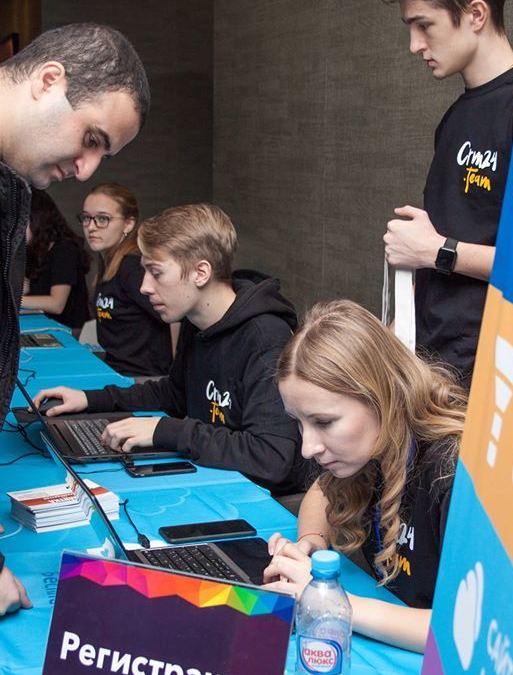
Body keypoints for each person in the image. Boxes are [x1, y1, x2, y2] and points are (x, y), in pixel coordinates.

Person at [0, 21, 149, 617]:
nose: (85, 169)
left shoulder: (13, 186)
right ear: (49, 80)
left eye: (102, 154)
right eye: (90, 138)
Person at [35, 203, 310, 496]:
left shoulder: (265, 338)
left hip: (263, 498)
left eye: (156, 272)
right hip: (215, 477)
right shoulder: (196, 320)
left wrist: (165, 430)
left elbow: (270, 457)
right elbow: (175, 394)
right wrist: (90, 399)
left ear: (200, 272)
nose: (144, 287)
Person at [263, 300, 467, 652]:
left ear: (380, 397)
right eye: (299, 422)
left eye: (324, 422)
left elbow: (464, 629)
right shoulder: (372, 449)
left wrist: (332, 602)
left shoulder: (454, 474)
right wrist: (311, 544)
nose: (307, 448)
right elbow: (321, 493)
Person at [378, 0, 513, 385]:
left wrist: (437, 250)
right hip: (431, 363)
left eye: (424, 25)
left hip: (488, 371)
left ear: (476, 13)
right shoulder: (455, 117)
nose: (414, 45)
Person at [80, 182, 174, 378]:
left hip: (142, 378)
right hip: (116, 371)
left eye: (103, 219)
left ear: (128, 224)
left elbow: (174, 316)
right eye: (87, 218)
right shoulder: (109, 263)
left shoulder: (132, 268)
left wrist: (174, 375)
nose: (91, 227)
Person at [21, 189, 90, 335]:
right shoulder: (32, 248)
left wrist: (11, 300)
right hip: (42, 326)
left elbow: (56, 304)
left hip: (69, 332)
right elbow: (24, 288)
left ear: (37, 219)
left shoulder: (65, 249)